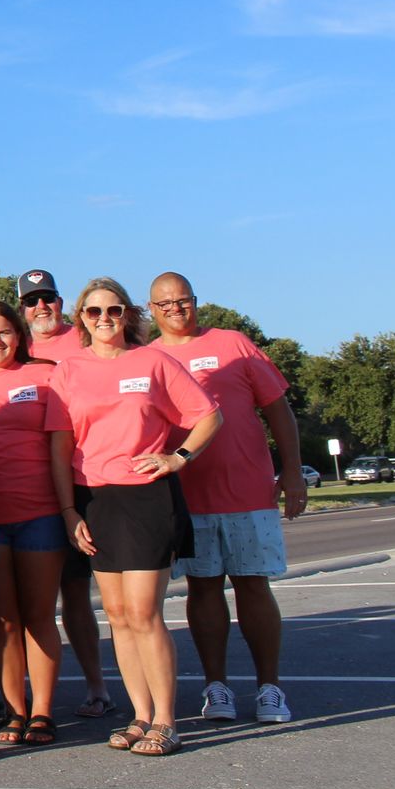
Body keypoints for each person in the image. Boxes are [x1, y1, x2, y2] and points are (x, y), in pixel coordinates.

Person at [54, 277, 222, 758]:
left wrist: (178, 458)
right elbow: (61, 446)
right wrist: (68, 510)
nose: (104, 319)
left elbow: (209, 415)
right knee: (120, 616)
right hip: (94, 500)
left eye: (113, 310)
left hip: (148, 498)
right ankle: (140, 715)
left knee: (146, 612)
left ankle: (167, 721)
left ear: (127, 314)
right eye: (93, 312)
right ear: (81, 319)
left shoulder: (152, 360)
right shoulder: (69, 370)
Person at [148, 272, 304, 724]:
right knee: (202, 588)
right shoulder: (147, 357)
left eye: (184, 300)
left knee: (254, 584)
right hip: (188, 498)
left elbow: (278, 409)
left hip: (248, 492)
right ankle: (216, 687)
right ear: (152, 310)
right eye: (166, 304)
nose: (176, 309)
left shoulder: (234, 343)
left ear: (195, 302)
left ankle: (270, 687)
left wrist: (292, 472)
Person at [0, 302, 73, 745]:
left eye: (4, 333)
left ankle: (42, 711)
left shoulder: (46, 377)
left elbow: (64, 445)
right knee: (1, 620)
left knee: (39, 617)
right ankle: (14, 711)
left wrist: (68, 509)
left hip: (41, 513)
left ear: (20, 337)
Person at [16, 269, 113, 718]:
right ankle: (26, 702)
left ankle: (96, 685)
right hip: (29, 490)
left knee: (77, 594)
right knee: (26, 605)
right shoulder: (14, 346)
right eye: (32, 301)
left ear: (62, 303)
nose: (41, 308)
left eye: (48, 299)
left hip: (81, 482)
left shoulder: (86, 338)